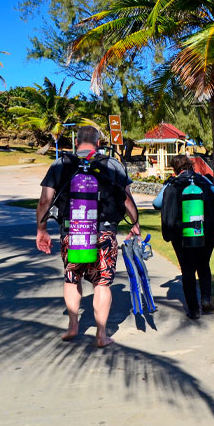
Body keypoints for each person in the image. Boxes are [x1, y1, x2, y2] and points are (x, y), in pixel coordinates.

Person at [35, 126, 139, 348]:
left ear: (76, 143)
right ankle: (101, 335)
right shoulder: (113, 165)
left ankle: (73, 326)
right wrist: (135, 224)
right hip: (104, 232)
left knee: (72, 278)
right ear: (99, 143)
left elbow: (45, 200)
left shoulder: (60, 164)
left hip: (71, 232)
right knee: (102, 283)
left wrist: (41, 230)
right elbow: (127, 199)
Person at [158, 155, 214, 319]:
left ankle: (194, 309)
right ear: (190, 165)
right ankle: (205, 300)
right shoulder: (204, 181)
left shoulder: (172, 183)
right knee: (203, 266)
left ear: (175, 169)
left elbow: (156, 203)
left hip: (181, 235)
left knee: (187, 270)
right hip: (205, 232)